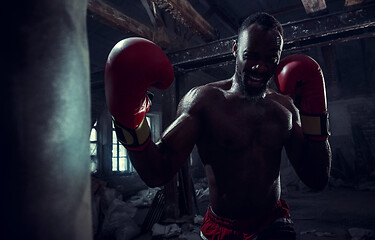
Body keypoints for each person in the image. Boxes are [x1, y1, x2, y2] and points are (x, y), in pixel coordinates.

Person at [105, 12, 331, 240]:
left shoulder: (285, 109)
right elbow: (156, 173)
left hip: (272, 223)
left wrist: (316, 116)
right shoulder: (204, 102)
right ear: (235, 50)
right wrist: (129, 123)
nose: (260, 67)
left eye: (270, 58)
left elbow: (317, 178)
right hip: (223, 227)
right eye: (250, 56)